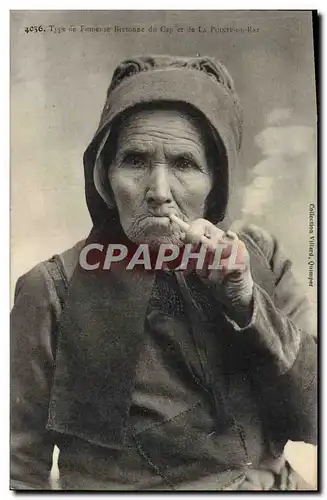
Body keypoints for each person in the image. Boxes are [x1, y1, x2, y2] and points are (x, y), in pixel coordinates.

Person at [10, 55, 317, 491]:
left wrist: (247, 302)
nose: (158, 192)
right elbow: (18, 472)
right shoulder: (53, 290)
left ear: (216, 182)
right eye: (135, 160)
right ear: (105, 175)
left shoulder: (261, 260)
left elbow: (317, 418)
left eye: (184, 164)